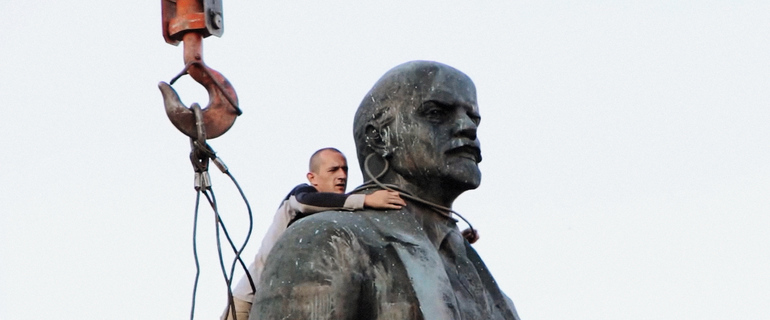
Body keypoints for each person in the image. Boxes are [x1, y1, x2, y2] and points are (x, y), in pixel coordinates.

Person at [250, 61, 520, 320]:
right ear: (378, 137)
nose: (468, 128)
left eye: (473, 118)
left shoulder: (483, 280)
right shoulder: (326, 240)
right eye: (436, 113)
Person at [222, 148, 406, 320]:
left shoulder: (340, 212)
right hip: (251, 293)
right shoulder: (300, 195)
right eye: (333, 170)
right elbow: (307, 201)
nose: (342, 175)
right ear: (313, 177)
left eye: (345, 169)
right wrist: (367, 200)